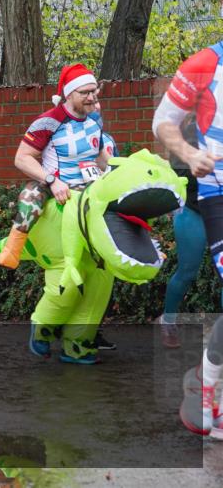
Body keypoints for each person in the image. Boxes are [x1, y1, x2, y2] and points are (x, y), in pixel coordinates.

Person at [154, 35, 223, 435]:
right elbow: (163, 121)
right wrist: (190, 153)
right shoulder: (204, 64)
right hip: (216, 194)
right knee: (189, 271)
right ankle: (207, 387)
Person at [0, 64, 111, 268]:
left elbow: (101, 157)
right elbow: (22, 158)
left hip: (90, 185)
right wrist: (52, 181)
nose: (91, 97)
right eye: (84, 93)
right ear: (68, 94)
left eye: (93, 91)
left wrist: (119, 172)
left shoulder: (94, 118)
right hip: (57, 185)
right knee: (30, 193)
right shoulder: (49, 121)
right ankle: (13, 248)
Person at [158, 116, 212, 348]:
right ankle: (168, 321)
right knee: (187, 271)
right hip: (194, 211)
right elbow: (180, 174)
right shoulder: (190, 132)